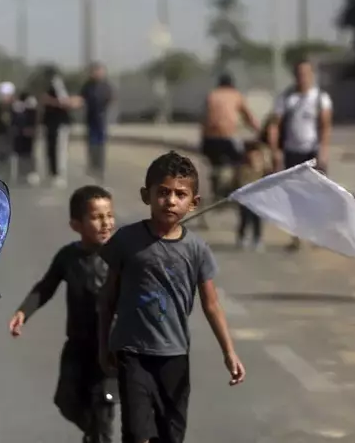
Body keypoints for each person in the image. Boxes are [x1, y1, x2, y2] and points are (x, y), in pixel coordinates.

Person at [98, 151, 245, 443]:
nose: (171, 201)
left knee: (171, 436)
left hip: (175, 356)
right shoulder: (126, 241)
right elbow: (107, 299)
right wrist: (103, 345)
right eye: (163, 192)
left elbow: (211, 305)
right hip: (132, 353)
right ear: (147, 195)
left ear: (194, 202)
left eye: (180, 194)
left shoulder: (196, 249)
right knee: (136, 433)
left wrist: (229, 352)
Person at [8, 185, 118, 443]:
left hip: (110, 350)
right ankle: (93, 432)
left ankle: (98, 435)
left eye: (109, 216)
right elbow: (46, 287)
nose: (106, 223)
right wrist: (24, 311)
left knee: (103, 408)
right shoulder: (68, 257)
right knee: (66, 401)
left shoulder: (122, 256)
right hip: (77, 346)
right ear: (76, 225)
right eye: (96, 217)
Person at [266, 59, 333, 251]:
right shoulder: (286, 98)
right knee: (294, 196)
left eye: (306, 73)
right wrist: (275, 151)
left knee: (316, 195)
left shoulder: (320, 98)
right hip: (291, 152)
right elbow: (274, 125)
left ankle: (317, 235)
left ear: (312, 75)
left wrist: (324, 151)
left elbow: (325, 126)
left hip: (313, 151)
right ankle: (296, 236)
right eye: (299, 73)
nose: (302, 77)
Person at [199, 72, 259, 201]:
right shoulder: (235, 95)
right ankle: (235, 190)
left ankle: (216, 189)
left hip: (209, 139)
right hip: (228, 137)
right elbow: (248, 117)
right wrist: (259, 130)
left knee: (215, 164)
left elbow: (203, 118)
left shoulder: (211, 95)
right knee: (240, 161)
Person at [80, 63, 114, 184]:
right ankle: (92, 167)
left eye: (99, 71)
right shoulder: (87, 86)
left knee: (100, 145)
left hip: (101, 119)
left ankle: (100, 169)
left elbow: (109, 98)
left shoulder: (106, 86)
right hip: (91, 119)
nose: (97, 73)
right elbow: (82, 99)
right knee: (91, 145)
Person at [41, 66, 73, 187]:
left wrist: (50, 100)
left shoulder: (57, 84)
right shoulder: (48, 86)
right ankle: (53, 173)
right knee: (51, 149)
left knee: (60, 150)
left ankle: (59, 175)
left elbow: (64, 102)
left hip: (59, 123)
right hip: (51, 123)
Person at [236, 140, 265, 251]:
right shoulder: (243, 168)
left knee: (257, 219)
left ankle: (257, 238)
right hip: (245, 199)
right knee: (245, 218)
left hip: (258, 199)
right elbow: (240, 182)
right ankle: (242, 237)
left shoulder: (262, 169)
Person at [12, 90, 40, 185]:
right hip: (19, 134)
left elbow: (34, 118)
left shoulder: (31, 105)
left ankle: (30, 173)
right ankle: (21, 174)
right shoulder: (17, 106)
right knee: (21, 154)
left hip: (27, 134)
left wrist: (31, 128)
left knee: (28, 154)